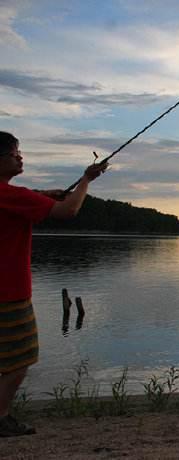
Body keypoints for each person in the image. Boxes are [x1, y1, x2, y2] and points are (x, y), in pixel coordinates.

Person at [0, 131, 107, 437]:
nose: (20, 157)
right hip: (8, 293)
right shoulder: (12, 197)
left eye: (19, 152)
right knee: (21, 358)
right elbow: (69, 210)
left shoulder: (13, 196)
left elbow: (24, 201)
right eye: (13, 153)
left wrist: (43, 194)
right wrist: (86, 180)